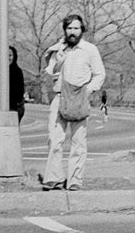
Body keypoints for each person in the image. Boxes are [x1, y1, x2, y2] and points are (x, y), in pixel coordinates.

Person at [41, 14, 105, 192]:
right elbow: (50, 72)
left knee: (78, 142)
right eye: (69, 28)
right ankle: (53, 178)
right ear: (65, 30)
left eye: (76, 28)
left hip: (79, 97)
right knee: (55, 139)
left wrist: (88, 91)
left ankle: (74, 180)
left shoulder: (90, 50)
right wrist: (58, 62)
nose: (72, 32)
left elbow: (99, 74)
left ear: (82, 30)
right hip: (60, 96)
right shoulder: (58, 49)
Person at [8, 46, 26, 123]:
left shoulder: (17, 71)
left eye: (10, 55)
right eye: (6, 55)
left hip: (14, 108)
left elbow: (20, 92)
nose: (8, 58)